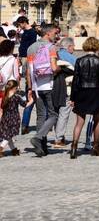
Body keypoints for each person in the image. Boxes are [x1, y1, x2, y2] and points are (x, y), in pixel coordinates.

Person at [69, 37, 99, 159]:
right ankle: (96, 147)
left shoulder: (79, 61)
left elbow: (75, 80)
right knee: (97, 120)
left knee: (79, 122)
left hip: (82, 91)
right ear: (97, 46)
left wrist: (73, 98)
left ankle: (74, 147)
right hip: (96, 91)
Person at [26, 22, 61, 157]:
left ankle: (42, 147)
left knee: (41, 115)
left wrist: (30, 88)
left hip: (36, 86)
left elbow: (29, 70)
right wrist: (61, 69)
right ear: (48, 33)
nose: (56, 36)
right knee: (53, 115)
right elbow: (53, 68)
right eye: (54, 33)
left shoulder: (31, 48)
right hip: (49, 84)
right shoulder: (51, 48)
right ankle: (38, 137)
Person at [0, 39, 22, 156]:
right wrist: (17, 87)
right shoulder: (12, 59)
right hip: (7, 89)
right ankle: (2, 146)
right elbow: (16, 74)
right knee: (9, 120)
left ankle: (14, 149)